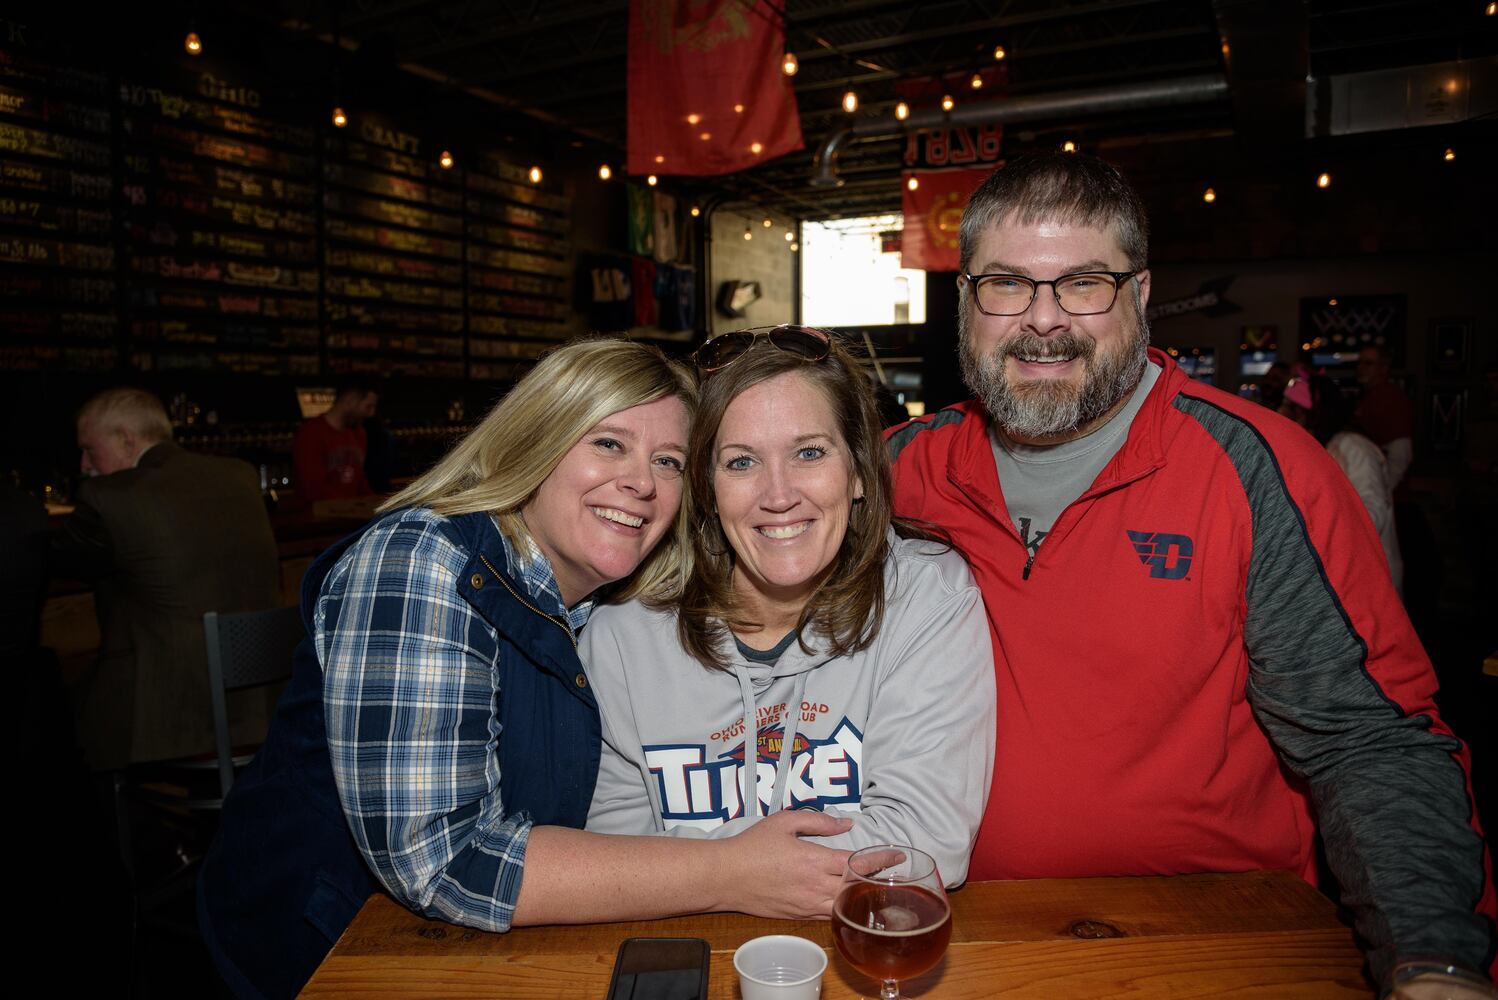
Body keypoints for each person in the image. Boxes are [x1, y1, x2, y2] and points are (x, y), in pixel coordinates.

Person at [885, 153, 1495, 994]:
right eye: (1007, 284)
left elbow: (1368, 738)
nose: (1043, 319)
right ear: (965, 302)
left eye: (1084, 283)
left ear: (1138, 297)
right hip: (958, 934)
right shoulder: (896, 472)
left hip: (1215, 934)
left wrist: (1437, 960)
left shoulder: (1257, 469)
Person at [198, 339, 854, 1000]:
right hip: (317, 952)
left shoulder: (604, 601)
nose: (641, 481)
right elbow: (441, 861)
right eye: (608, 444)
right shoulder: (423, 560)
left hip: (484, 954)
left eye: (669, 461)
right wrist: (729, 871)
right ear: (536, 439)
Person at [584, 328, 995, 885]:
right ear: (705, 487)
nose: (778, 495)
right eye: (741, 462)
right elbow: (609, 855)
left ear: (856, 472)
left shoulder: (924, 599)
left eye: (808, 453)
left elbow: (923, 845)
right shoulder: (624, 633)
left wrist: (689, 867)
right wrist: (737, 870)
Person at [52, 387, 280, 769]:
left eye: (91, 450)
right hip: (261, 703)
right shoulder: (239, 476)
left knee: (52, 713)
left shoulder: (110, 497)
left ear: (126, 439)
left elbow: (59, 561)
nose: (85, 465)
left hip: (169, 716)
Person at [1281, 373, 1403, 593]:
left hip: (1367, 577)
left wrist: (1323, 535)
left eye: (1293, 411)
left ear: (1314, 414)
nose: (1286, 416)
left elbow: (1373, 510)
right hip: (1337, 575)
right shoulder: (1319, 447)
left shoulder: (1354, 447)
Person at [292, 381, 379, 502]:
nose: (371, 413)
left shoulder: (359, 433)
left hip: (351, 515)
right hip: (318, 517)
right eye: (368, 406)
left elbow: (359, 479)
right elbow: (314, 488)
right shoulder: (310, 433)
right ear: (350, 400)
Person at [1354, 343, 1414, 490]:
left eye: (1368, 363)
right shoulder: (1366, 397)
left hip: (1382, 486)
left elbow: (1401, 451)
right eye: (1359, 363)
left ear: (1383, 368)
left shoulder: (1391, 398)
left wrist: (1384, 489)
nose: (1361, 368)